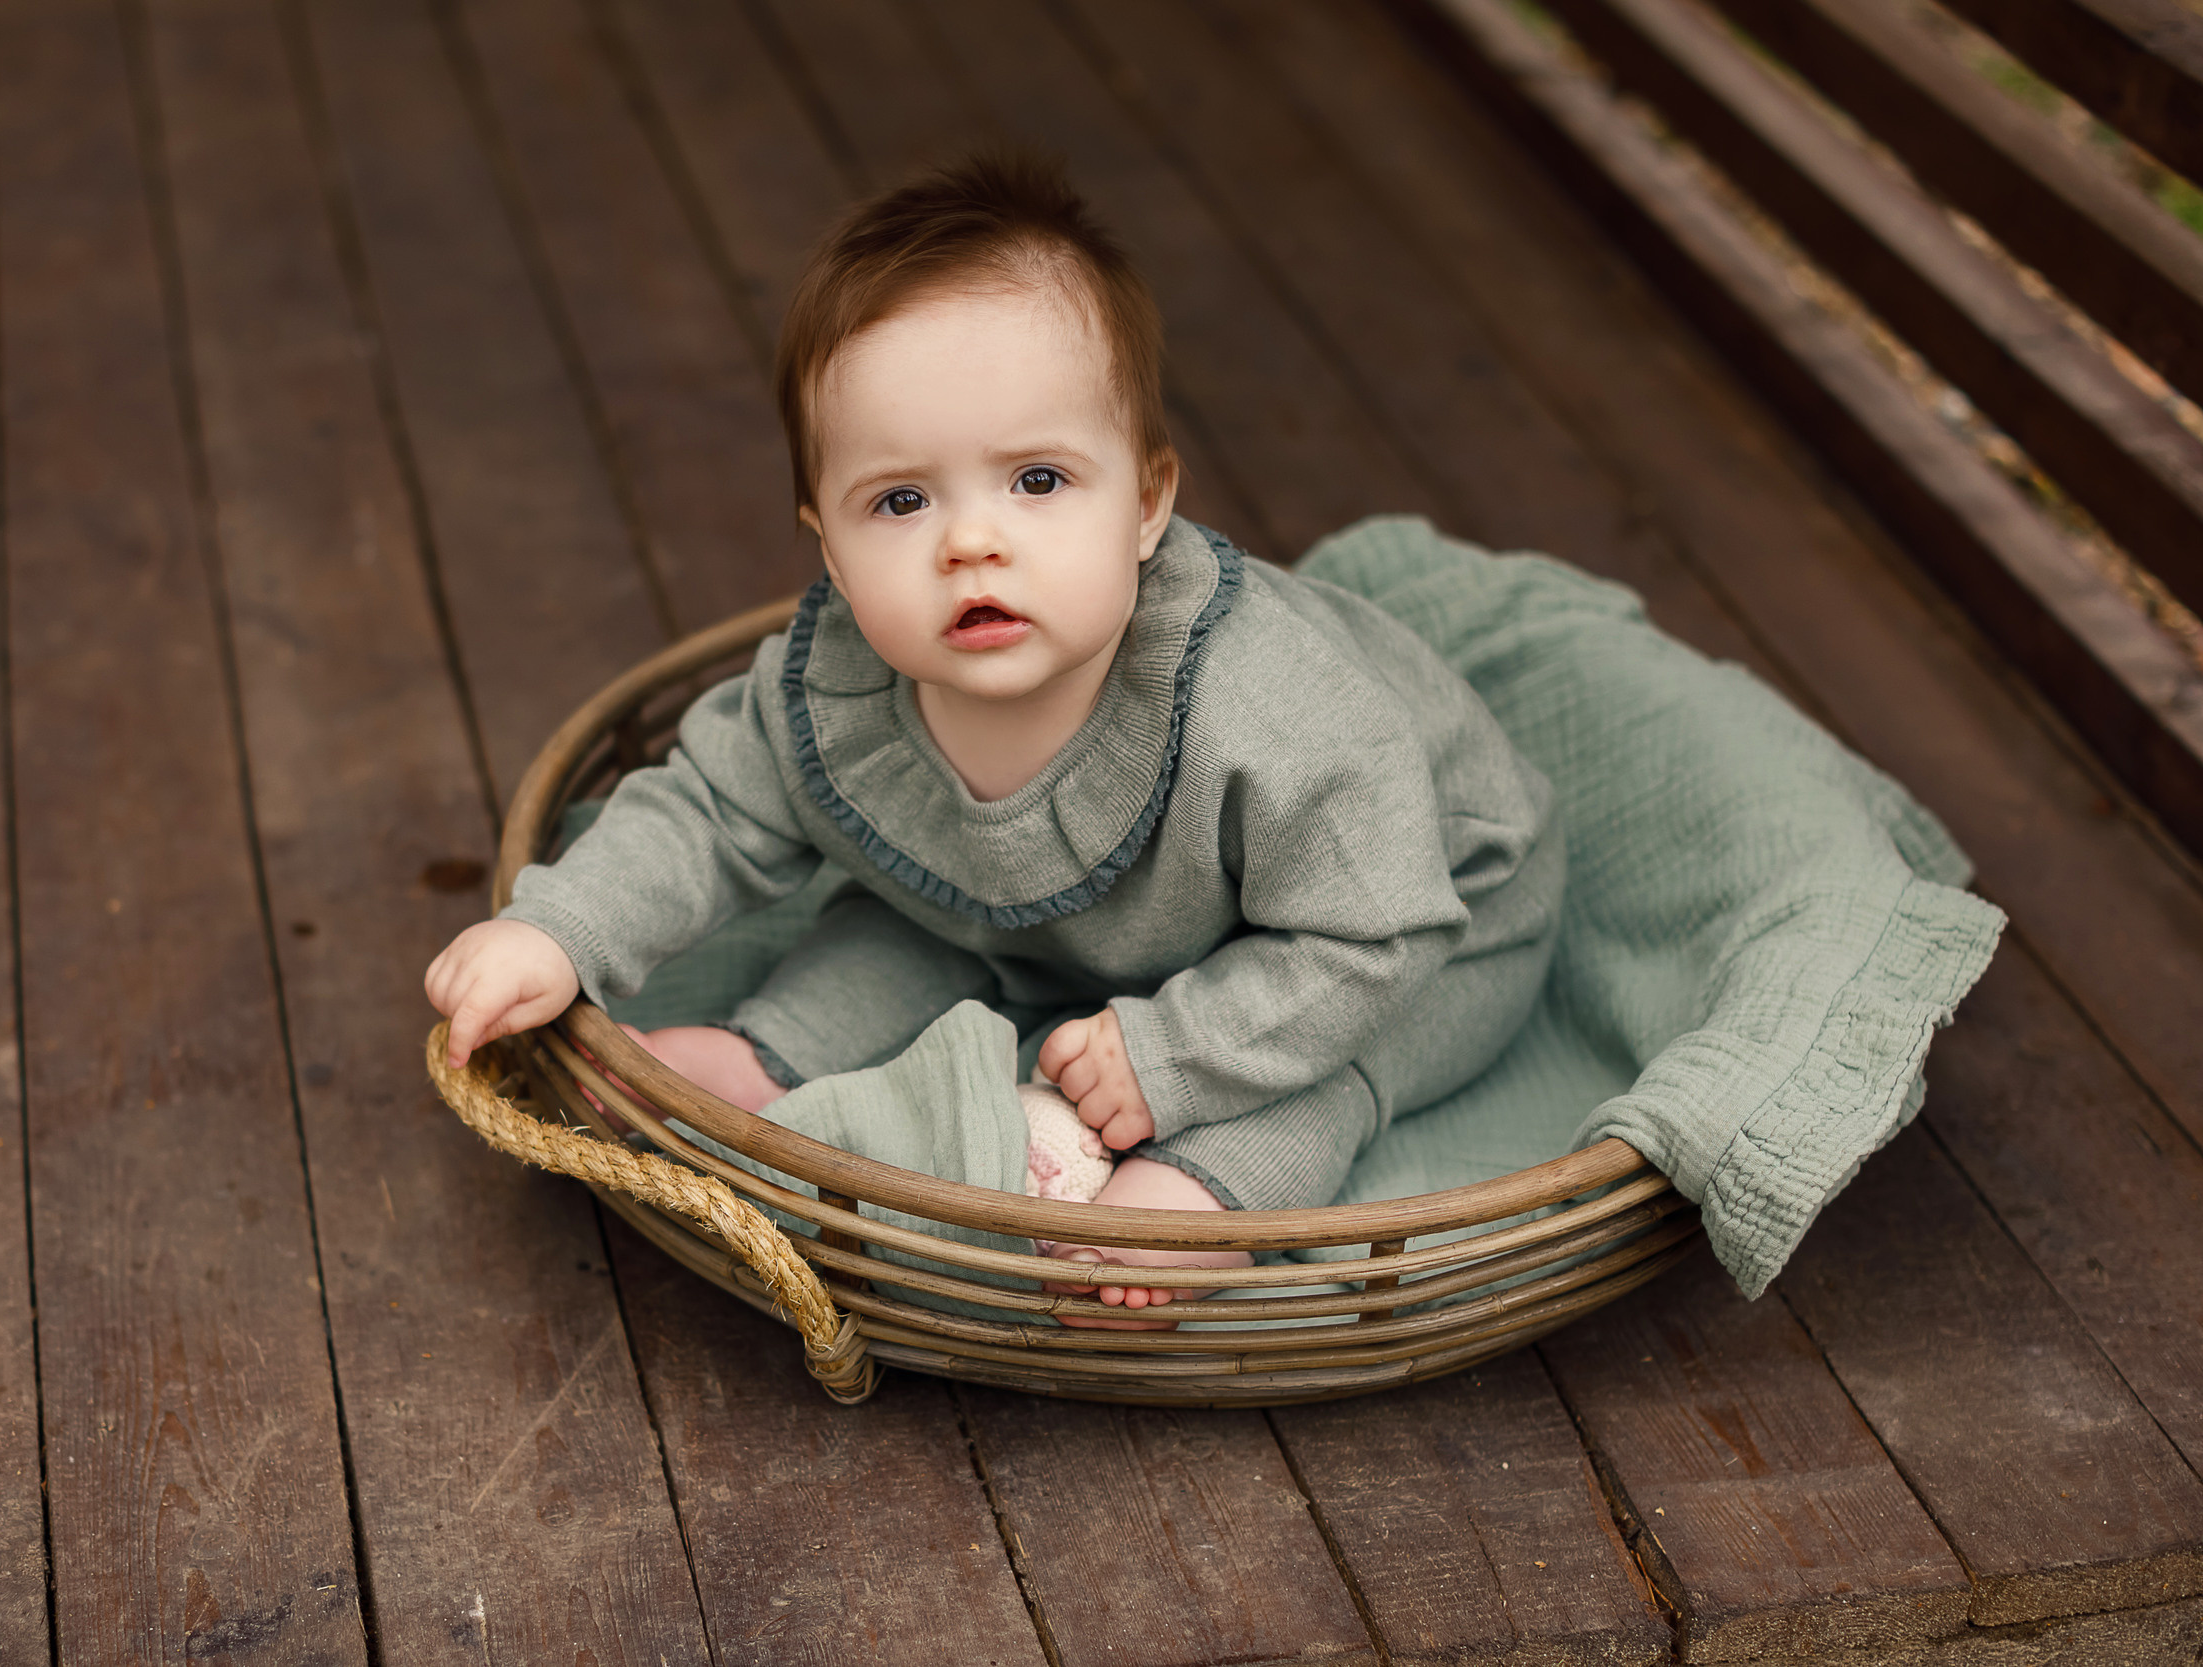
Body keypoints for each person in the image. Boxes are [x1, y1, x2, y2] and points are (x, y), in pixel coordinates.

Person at [424, 151, 1561, 1318]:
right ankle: (762, 1058)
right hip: (1077, 926)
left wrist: (1179, 1054)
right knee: (917, 916)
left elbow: (1372, 936)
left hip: (1413, 923)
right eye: (900, 501)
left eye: (1037, 479)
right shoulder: (840, 687)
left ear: (1147, 502)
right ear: (827, 545)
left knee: (1321, 1068)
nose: (972, 541)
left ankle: (1203, 1197)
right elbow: (703, 813)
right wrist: (560, 931)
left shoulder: (1272, 713)